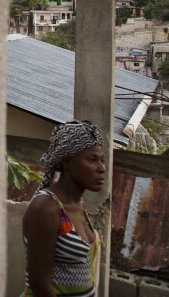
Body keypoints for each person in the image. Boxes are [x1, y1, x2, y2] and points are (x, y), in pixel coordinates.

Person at [22, 121, 106, 297]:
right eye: (92, 160)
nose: (101, 168)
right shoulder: (46, 208)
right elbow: (40, 285)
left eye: (102, 160)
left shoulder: (77, 205)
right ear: (68, 162)